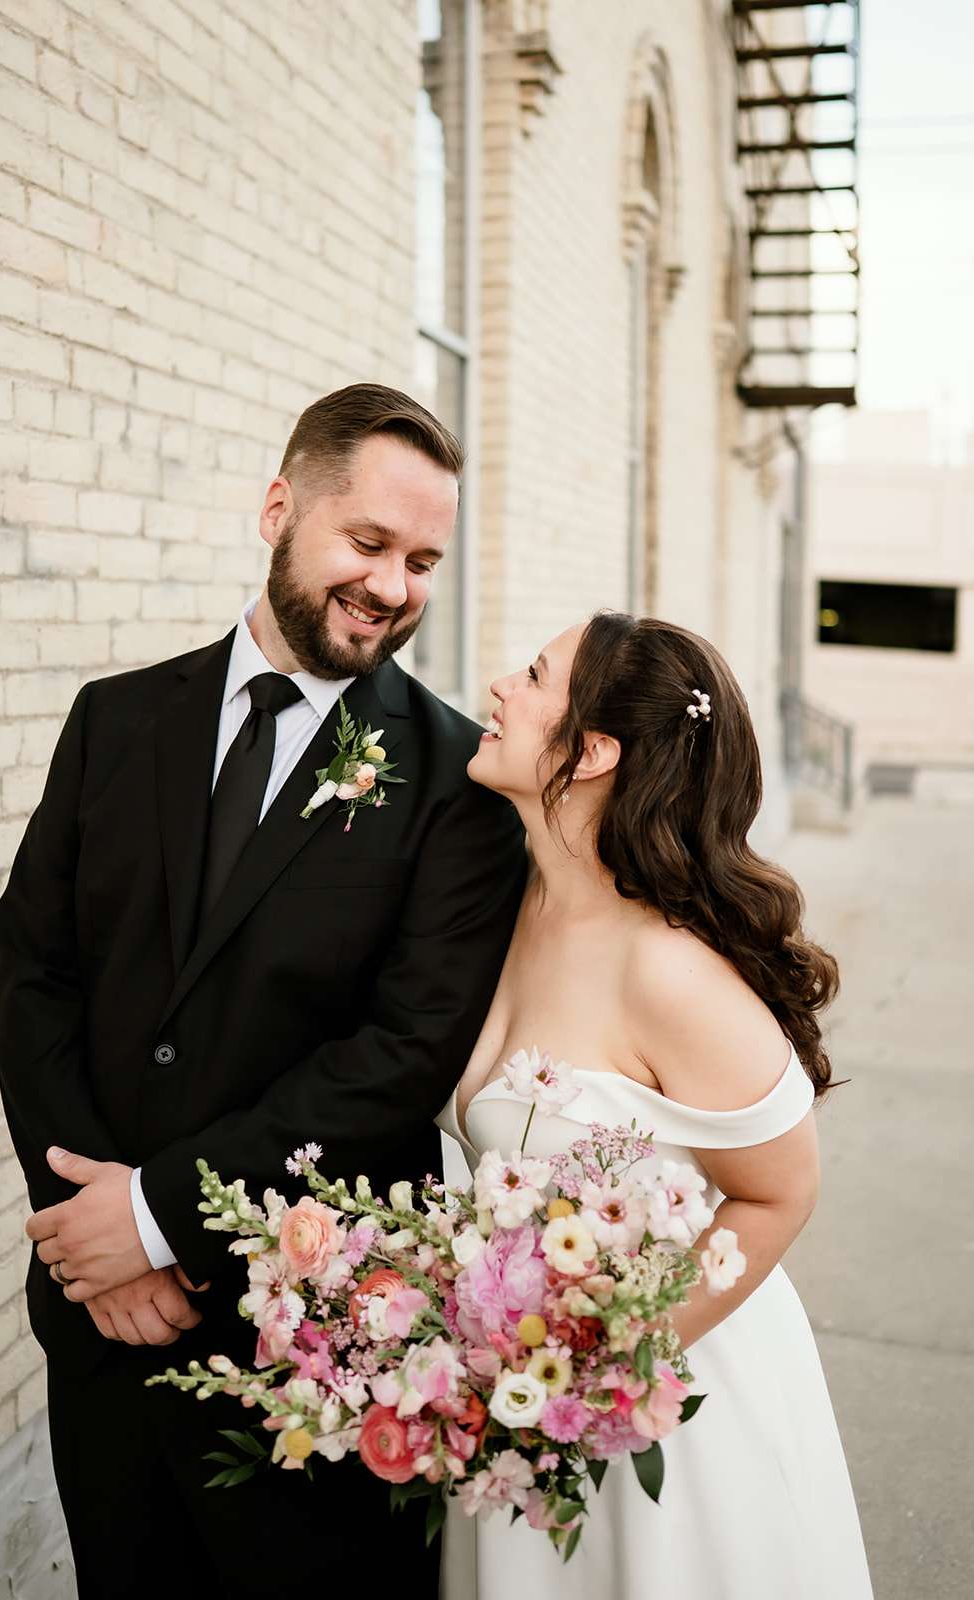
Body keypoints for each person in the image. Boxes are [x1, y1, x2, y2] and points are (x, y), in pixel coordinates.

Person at [0, 383, 526, 1599]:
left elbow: (402, 1053)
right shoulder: (115, 720)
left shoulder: (455, 783)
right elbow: (37, 977)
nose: (395, 587)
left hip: (316, 1352)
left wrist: (160, 1218)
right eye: (370, 544)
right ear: (280, 507)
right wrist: (98, 1245)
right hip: (102, 1333)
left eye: (425, 561)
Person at [437, 611, 874, 1599]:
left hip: (664, 1425)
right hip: (523, 1408)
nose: (501, 684)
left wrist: (613, 1369)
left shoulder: (669, 971)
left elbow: (781, 1191)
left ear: (591, 750)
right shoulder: (520, 898)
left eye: (535, 673)